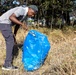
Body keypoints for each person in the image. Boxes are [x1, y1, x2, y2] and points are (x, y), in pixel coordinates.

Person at [0, 5, 38, 70]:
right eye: (33, 13)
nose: (32, 15)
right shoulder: (22, 10)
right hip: (4, 22)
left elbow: (17, 24)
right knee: (10, 42)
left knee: (11, 41)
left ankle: (7, 64)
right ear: (30, 9)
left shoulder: (24, 15)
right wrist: (22, 24)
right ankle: (7, 65)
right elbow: (11, 17)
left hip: (6, 24)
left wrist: (14, 35)